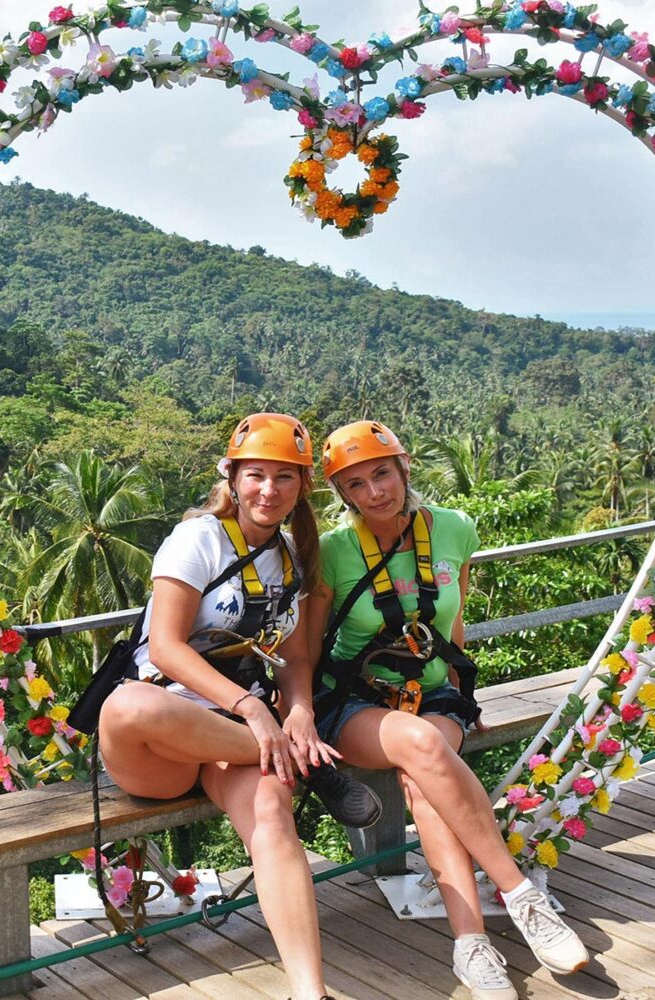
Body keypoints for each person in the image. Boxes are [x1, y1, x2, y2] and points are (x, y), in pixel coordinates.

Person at [98, 412, 380, 1000]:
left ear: (303, 486)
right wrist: (256, 715)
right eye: (256, 475)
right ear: (232, 477)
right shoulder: (197, 539)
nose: (268, 490)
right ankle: (309, 765)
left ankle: (310, 989)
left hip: (236, 736)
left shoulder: (291, 555)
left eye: (284, 477)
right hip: (166, 741)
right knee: (127, 705)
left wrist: (298, 712)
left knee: (273, 815)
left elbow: (295, 658)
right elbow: (166, 648)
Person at [310, 420, 589, 1000]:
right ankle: (521, 896)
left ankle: (472, 945)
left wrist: (463, 693)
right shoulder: (334, 551)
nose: (375, 492)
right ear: (342, 494)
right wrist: (294, 714)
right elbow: (308, 648)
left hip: (431, 690)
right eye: (356, 484)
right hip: (355, 699)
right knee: (422, 746)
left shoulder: (456, 528)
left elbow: (451, 622)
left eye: (382, 474)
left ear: (404, 468)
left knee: (422, 770)